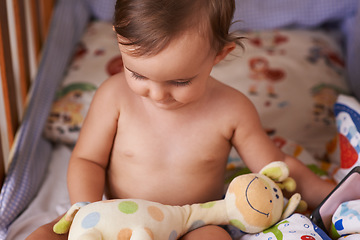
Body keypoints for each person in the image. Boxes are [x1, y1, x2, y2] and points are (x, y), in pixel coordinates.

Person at [27, 0, 336, 239]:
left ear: (219, 54)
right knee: (44, 234)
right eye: (137, 74)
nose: (157, 94)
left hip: (196, 220)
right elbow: (87, 160)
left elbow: (275, 167)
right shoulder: (113, 97)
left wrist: (328, 192)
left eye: (179, 82)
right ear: (118, 39)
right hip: (115, 219)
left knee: (213, 238)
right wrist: (85, 208)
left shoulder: (232, 109)